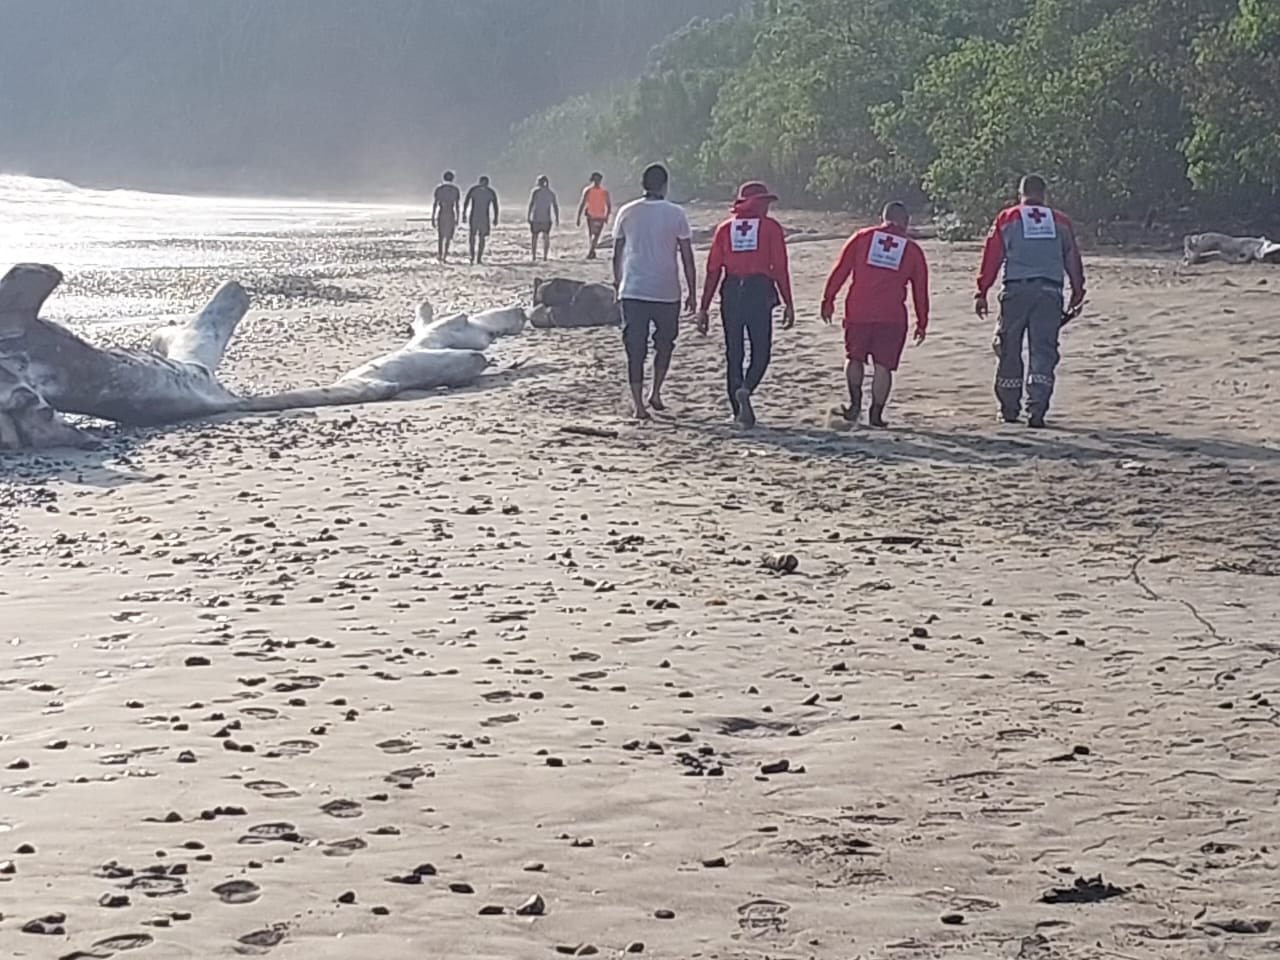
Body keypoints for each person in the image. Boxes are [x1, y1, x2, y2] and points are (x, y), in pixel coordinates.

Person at [975, 174, 1086, 428]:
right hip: (1050, 292)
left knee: (1009, 348)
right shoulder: (1061, 221)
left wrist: (981, 290)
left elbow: (992, 256)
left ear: (1020, 194)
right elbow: (1072, 257)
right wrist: (1078, 290)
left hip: (1016, 291)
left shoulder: (1007, 218)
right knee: (1043, 351)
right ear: (1045, 195)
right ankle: (1037, 409)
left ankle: (1009, 409)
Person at [820, 201, 929, 428]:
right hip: (892, 318)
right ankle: (876, 415)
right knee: (884, 366)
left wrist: (828, 298)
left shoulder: (862, 238)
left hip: (858, 312)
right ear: (906, 223)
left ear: (883, 217)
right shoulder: (912, 250)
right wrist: (922, 320)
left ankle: (854, 405)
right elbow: (920, 289)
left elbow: (840, 270)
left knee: (854, 358)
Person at [696, 181, 794, 428]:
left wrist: (704, 307)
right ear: (758, 204)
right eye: (766, 204)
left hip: (730, 290)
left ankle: (738, 410)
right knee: (761, 351)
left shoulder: (724, 229)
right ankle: (747, 389)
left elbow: (713, 270)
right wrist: (788, 302)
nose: (768, 209)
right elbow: (780, 268)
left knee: (734, 352)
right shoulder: (771, 228)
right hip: (758, 290)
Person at [612, 163, 697, 421]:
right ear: (664, 185)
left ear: (643, 185)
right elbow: (687, 255)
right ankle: (655, 391)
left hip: (634, 289)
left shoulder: (626, 211)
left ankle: (639, 404)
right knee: (665, 344)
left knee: (635, 348)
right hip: (666, 290)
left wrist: (618, 284)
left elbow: (617, 254)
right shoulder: (676, 213)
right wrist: (692, 291)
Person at [463, 175, 500, 265]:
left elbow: (495, 206)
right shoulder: (474, 190)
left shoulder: (490, 192)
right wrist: (464, 214)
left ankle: (478, 257)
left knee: (481, 237)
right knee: (473, 236)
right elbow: (466, 202)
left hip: (483, 217)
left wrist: (496, 218)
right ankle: (472, 256)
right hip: (475, 216)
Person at [577, 172, 612, 260]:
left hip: (592, 215)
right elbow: (609, 205)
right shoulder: (604, 192)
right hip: (598, 216)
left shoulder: (588, 190)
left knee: (592, 235)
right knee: (596, 235)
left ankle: (591, 251)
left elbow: (582, 204)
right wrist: (607, 216)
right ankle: (591, 251)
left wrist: (578, 217)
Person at [527, 175, 560, 263]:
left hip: (537, 218)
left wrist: (528, 215)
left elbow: (531, 204)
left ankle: (534, 256)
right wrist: (557, 218)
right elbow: (555, 206)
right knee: (545, 237)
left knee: (535, 237)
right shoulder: (551, 193)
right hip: (545, 218)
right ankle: (544, 256)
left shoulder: (536, 192)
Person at [431, 171, 461, 263]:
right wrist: (457, 217)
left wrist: (433, 216)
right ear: (452, 178)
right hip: (450, 212)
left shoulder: (439, 189)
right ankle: (445, 254)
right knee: (448, 235)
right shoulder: (455, 189)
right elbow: (457, 205)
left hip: (442, 212)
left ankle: (440, 254)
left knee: (441, 235)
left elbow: (435, 203)